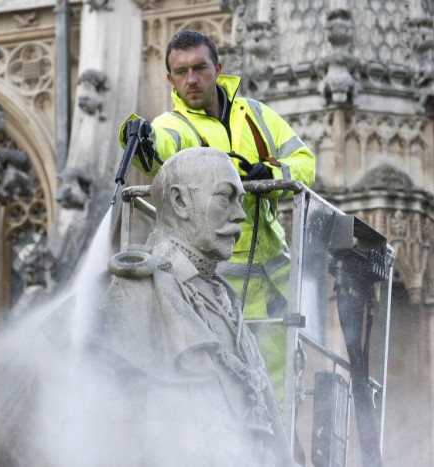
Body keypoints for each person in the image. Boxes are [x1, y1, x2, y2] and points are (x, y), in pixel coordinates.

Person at [120, 29, 316, 399]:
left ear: (217, 68)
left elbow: (305, 162)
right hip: (217, 286)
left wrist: (271, 173)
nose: (191, 80)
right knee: (231, 390)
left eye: (199, 68)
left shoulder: (256, 115)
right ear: (169, 79)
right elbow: (159, 147)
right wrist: (141, 134)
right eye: (180, 72)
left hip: (275, 278)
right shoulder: (174, 125)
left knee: (279, 393)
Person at [93, 147, 293, 466]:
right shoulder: (139, 286)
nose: (240, 215)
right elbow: (113, 419)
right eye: (226, 197)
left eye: (240, 200)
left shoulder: (224, 300)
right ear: (180, 202)